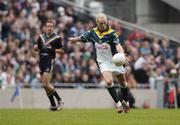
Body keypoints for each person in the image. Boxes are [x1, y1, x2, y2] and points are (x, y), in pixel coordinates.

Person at [69, 13, 130, 113]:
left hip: (115, 61)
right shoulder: (92, 33)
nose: (103, 25)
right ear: (97, 23)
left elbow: (118, 45)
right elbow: (82, 37)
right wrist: (74, 40)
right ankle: (118, 104)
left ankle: (126, 102)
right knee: (109, 81)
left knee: (122, 82)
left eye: (104, 23)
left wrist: (122, 55)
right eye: (101, 23)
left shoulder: (112, 33)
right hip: (103, 62)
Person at [34, 20, 64, 111]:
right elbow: (38, 48)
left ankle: (60, 99)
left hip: (49, 60)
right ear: (45, 27)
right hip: (41, 61)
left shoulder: (57, 38)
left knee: (45, 83)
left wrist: (53, 49)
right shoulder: (41, 37)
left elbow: (62, 50)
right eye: (48, 26)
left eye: (51, 26)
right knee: (44, 85)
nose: (49, 28)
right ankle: (53, 104)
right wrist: (35, 48)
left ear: (53, 27)